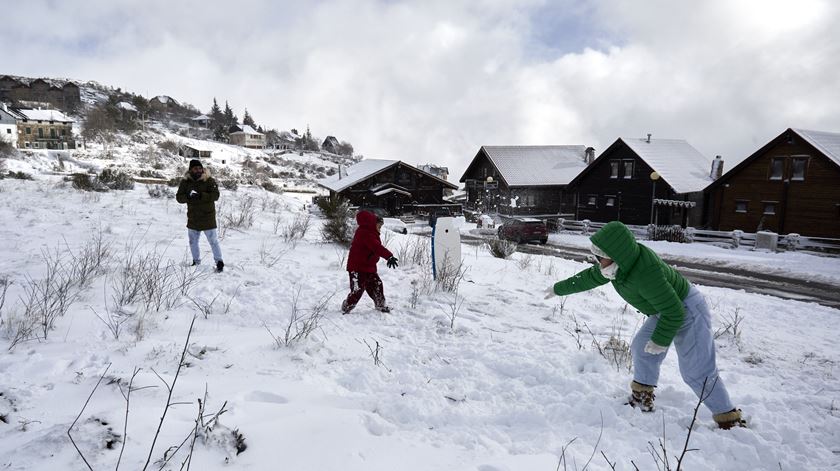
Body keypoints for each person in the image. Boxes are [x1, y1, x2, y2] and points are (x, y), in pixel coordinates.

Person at [545, 221, 745, 430]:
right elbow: (590, 277)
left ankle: (728, 418)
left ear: (616, 255)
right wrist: (558, 289)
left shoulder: (644, 272)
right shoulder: (618, 267)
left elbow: (675, 312)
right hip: (665, 309)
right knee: (642, 346)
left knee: (696, 370)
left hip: (687, 310)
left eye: (600, 257)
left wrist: (660, 340)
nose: (597, 261)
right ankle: (642, 396)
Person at [342, 211, 399, 313]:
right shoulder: (365, 233)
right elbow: (376, 247)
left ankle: (380, 305)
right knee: (357, 290)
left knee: (377, 285)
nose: (380, 228)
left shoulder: (370, 232)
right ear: (373, 223)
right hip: (357, 268)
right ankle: (347, 306)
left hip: (368, 267)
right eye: (379, 226)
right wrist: (389, 256)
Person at [175, 159, 224, 272]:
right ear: (190, 169)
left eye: (200, 168)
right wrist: (189, 197)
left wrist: (201, 196)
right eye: (195, 168)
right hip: (193, 217)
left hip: (208, 217)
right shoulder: (185, 182)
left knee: (213, 241)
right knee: (193, 242)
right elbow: (179, 197)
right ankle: (196, 262)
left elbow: (215, 195)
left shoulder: (209, 180)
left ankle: (219, 262)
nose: (198, 170)